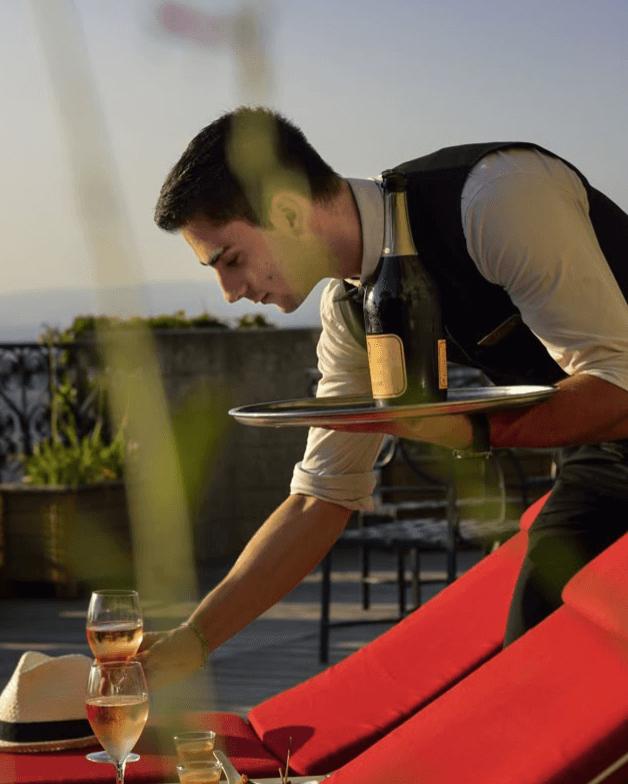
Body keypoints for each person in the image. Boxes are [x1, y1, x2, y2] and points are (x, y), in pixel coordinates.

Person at [141, 106, 628, 688]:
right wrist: (194, 639)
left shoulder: (496, 200)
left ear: (288, 212)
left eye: (232, 259)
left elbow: (620, 379)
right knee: (536, 648)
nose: (228, 292)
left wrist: (473, 430)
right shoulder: (350, 311)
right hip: (606, 452)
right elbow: (320, 498)